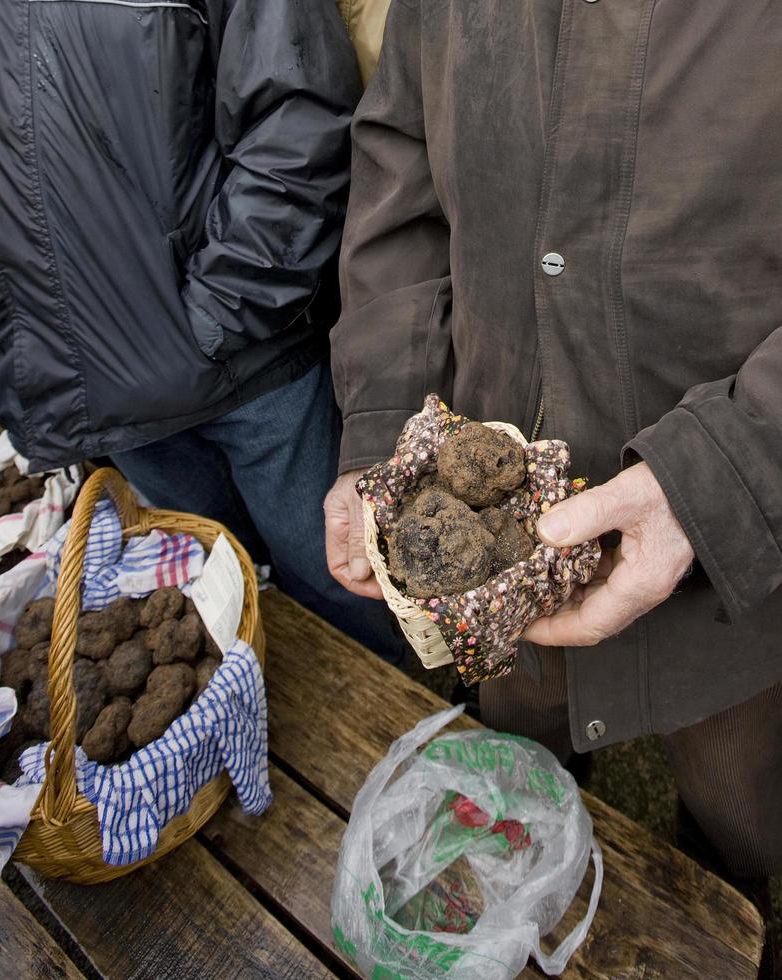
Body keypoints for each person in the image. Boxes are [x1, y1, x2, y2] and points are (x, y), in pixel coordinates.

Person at [325, 0, 782, 964]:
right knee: (519, 776)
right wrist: (383, 429)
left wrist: (732, 465)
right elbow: (398, 167)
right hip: (501, 560)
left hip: (738, 577)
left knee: (737, 817)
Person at [0, 0, 405, 663]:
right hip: (102, 401)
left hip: (251, 370)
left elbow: (297, 114)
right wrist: (16, 365)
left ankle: (401, 718)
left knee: (339, 581)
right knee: (214, 603)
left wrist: (220, 314)